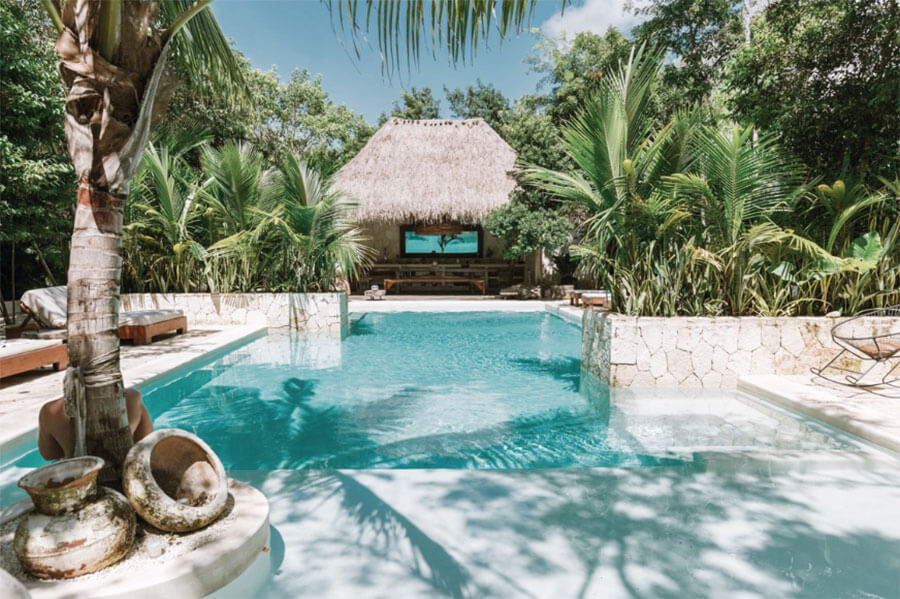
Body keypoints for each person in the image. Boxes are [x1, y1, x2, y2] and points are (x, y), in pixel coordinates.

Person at [37, 387, 153, 460]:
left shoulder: (50, 411)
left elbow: (49, 455)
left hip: (79, 482)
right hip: (125, 481)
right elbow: (149, 447)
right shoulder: (131, 398)